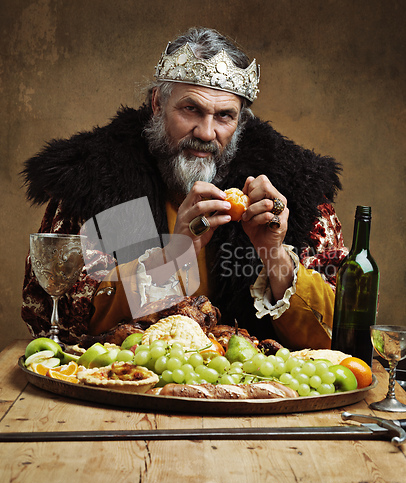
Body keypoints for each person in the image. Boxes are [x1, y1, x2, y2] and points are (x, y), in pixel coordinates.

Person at [21, 27, 347, 350]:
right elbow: (59, 319)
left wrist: (274, 255)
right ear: (157, 104)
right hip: (126, 387)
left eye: (224, 116)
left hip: (252, 392)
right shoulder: (100, 181)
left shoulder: (289, 187)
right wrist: (172, 256)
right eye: (191, 109)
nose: (206, 133)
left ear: (241, 122)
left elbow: (342, 332)